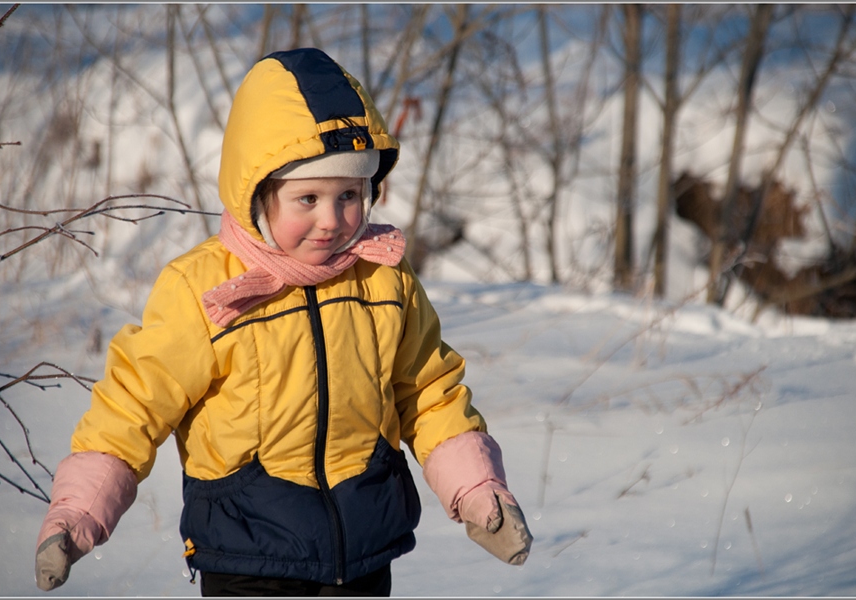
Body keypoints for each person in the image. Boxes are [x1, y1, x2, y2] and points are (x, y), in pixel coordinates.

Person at [34, 47, 532, 597]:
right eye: (308, 198)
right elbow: (133, 406)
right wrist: (78, 514)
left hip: (363, 552)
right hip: (249, 555)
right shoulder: (206, 291)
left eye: (349, 194)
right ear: (257, 194)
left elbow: (428, 393)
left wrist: (479, 491)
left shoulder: (383, 280)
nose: (332, 220)